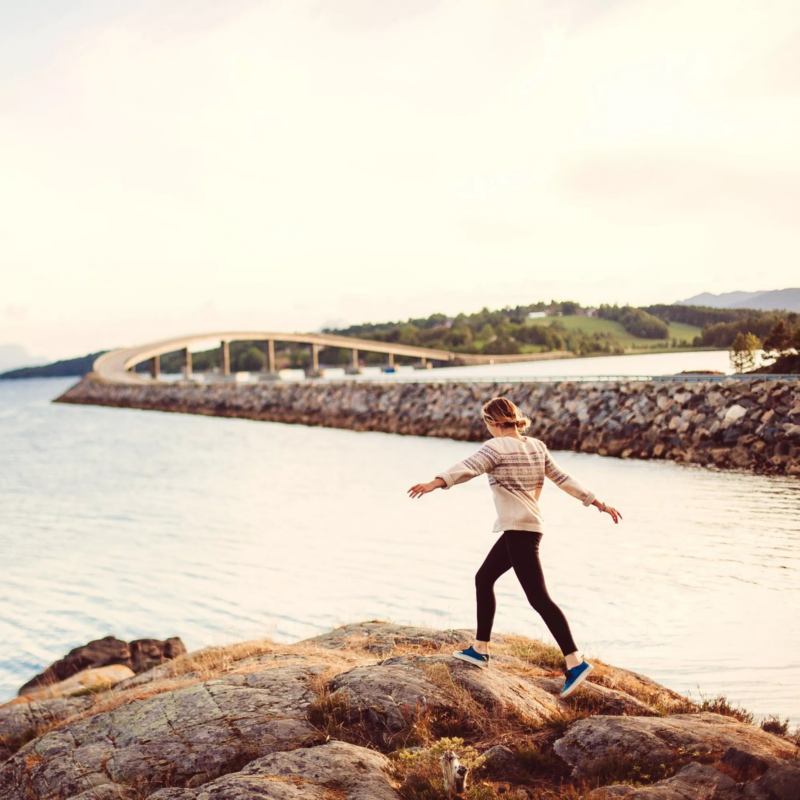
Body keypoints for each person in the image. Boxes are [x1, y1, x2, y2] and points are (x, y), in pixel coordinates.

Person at [407, 396, 622, 698]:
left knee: (538, 598)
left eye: (487, 423)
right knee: (484, 579)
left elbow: (468, 468)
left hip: (521, 529)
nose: (488, 429)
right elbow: (564, 479)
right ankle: (480, 649)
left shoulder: (494, 447)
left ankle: (575, 661)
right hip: (523, 528)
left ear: (493, 422)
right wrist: (597, 502)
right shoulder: (536, 446)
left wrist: (436, 482)